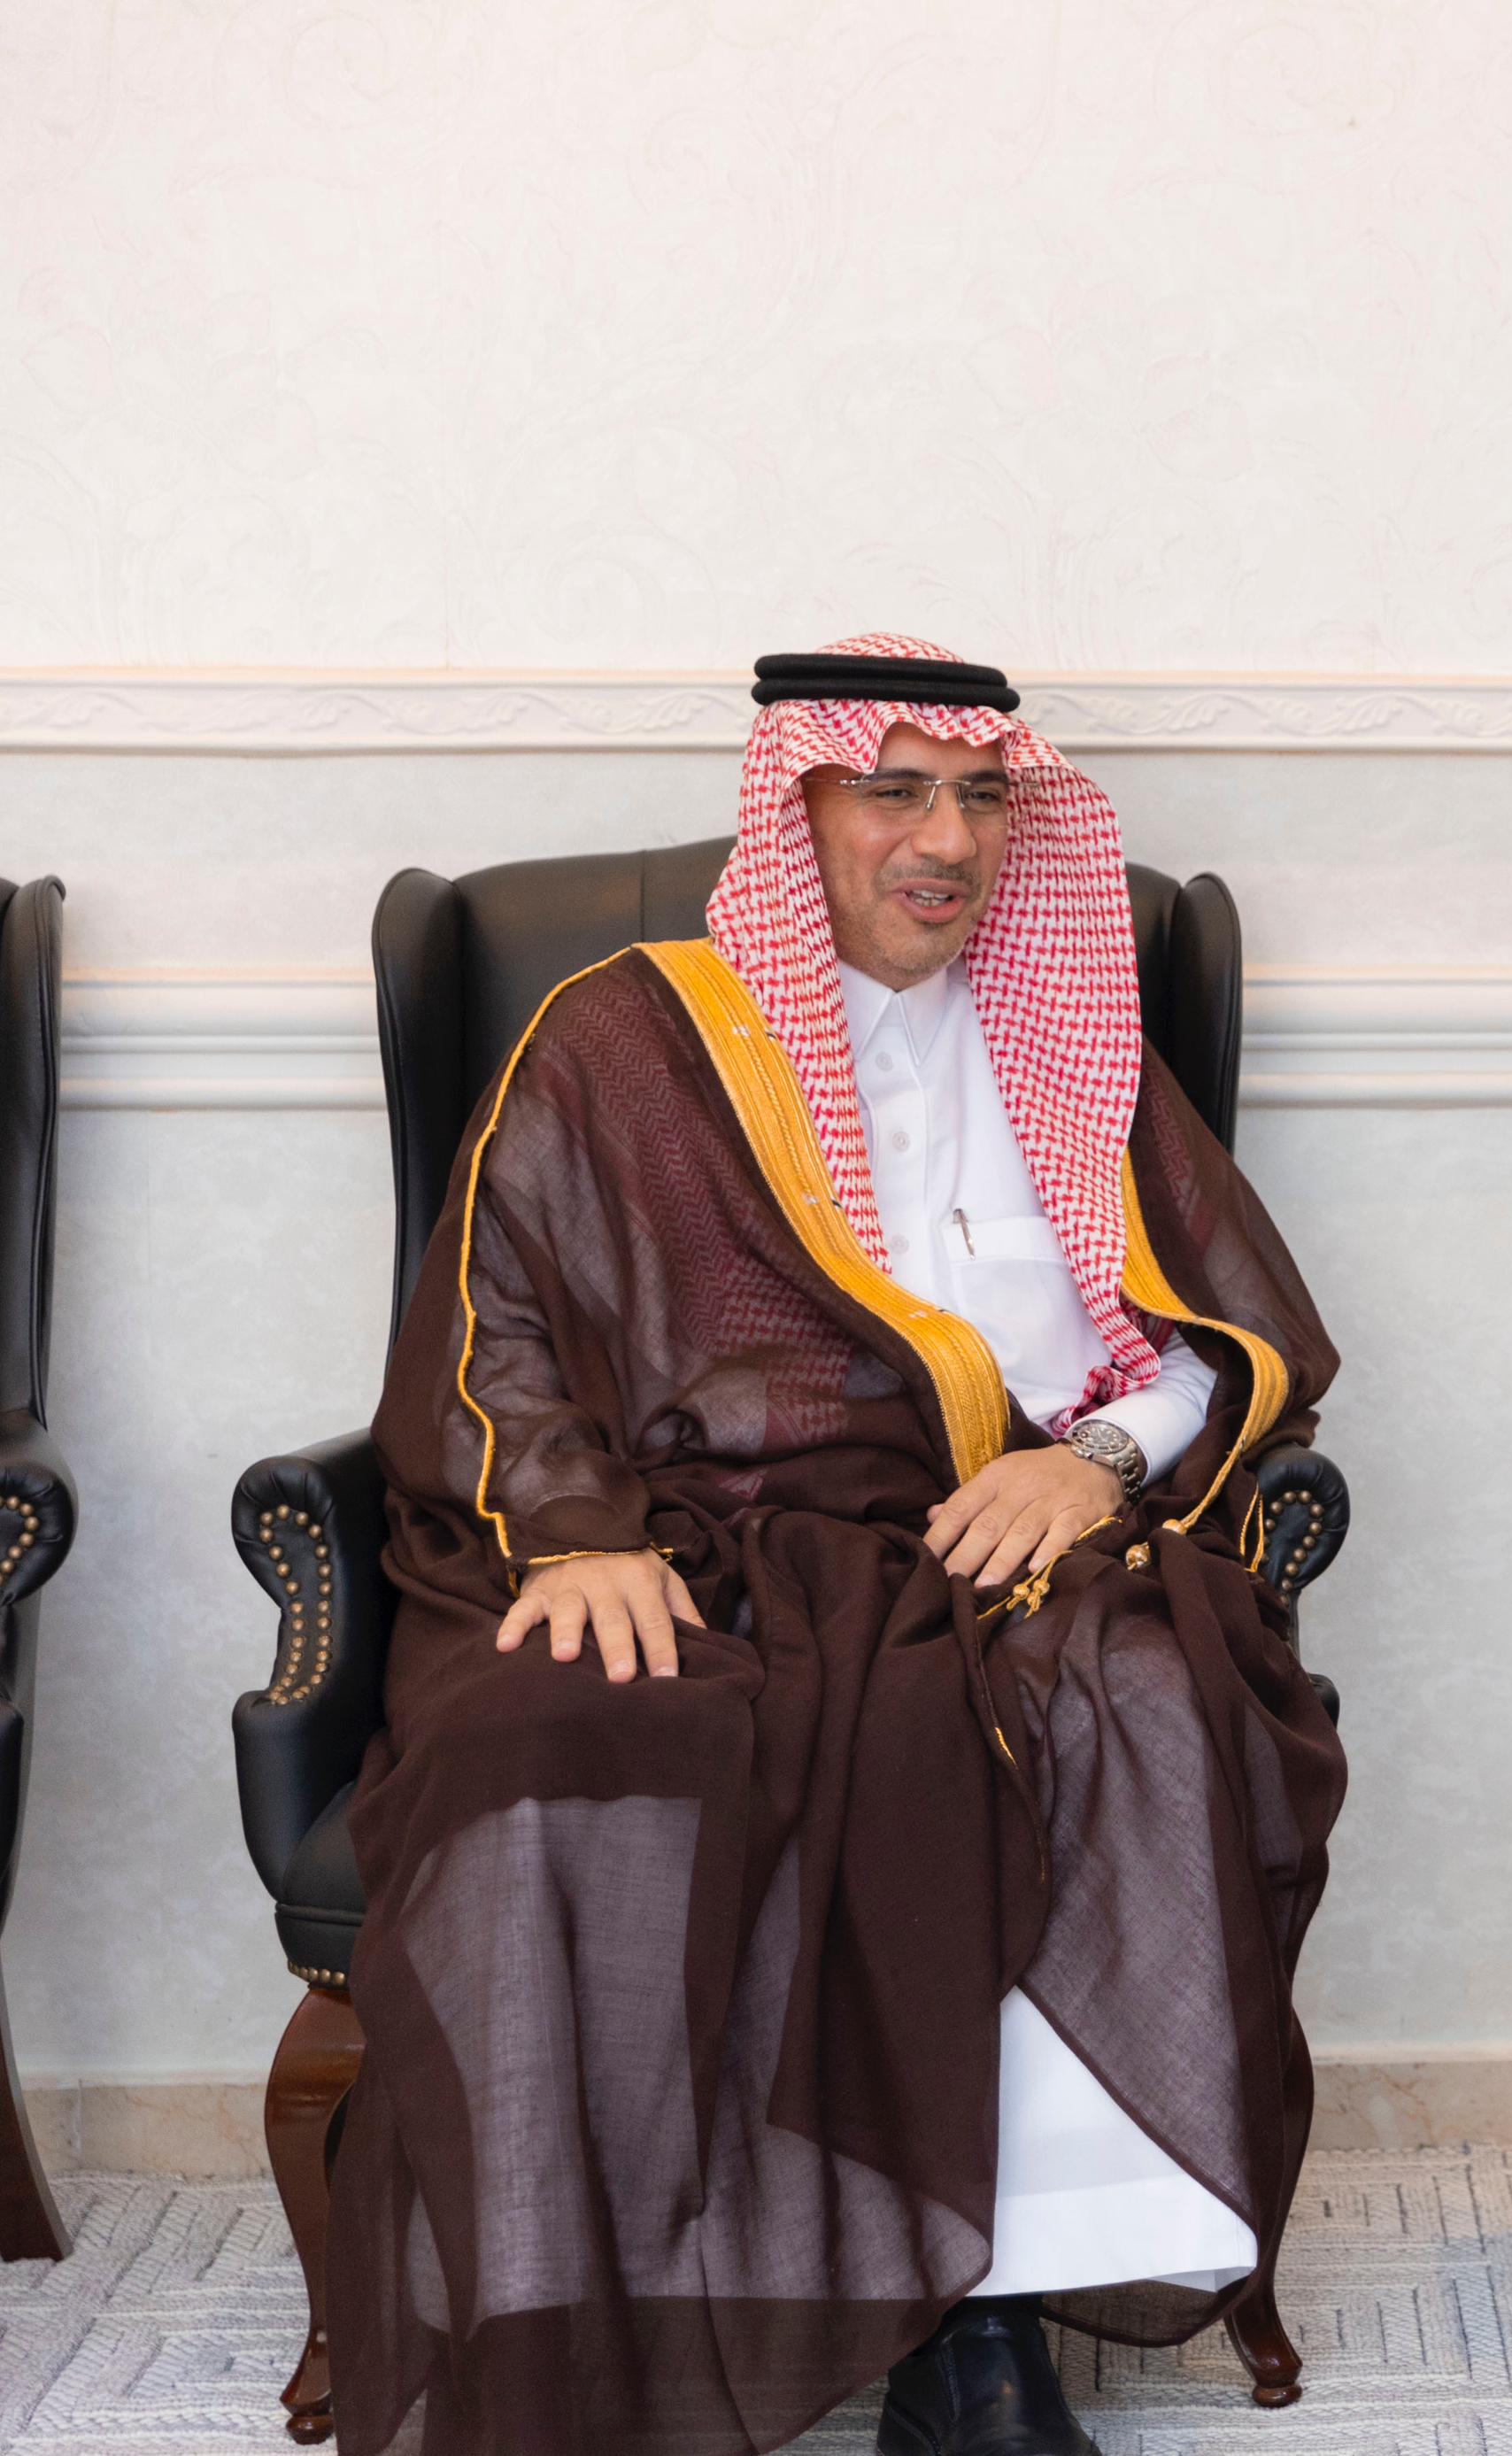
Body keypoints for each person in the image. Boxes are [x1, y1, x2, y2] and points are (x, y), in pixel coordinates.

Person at [336, 638, 1344, 2456]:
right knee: (555, 1724)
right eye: (893, 792)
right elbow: (497, 1315)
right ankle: (593, 2300)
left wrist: (1097, 1464)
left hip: (1002, 1534)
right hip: (691, 1532)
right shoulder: (627, 1034)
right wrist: (574, 1532)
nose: (944, 839)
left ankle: (987, 2325)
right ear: (792, 810)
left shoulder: (1074, 1037)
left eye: (978, 797)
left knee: (1132, 1692)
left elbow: (1225, 1337)